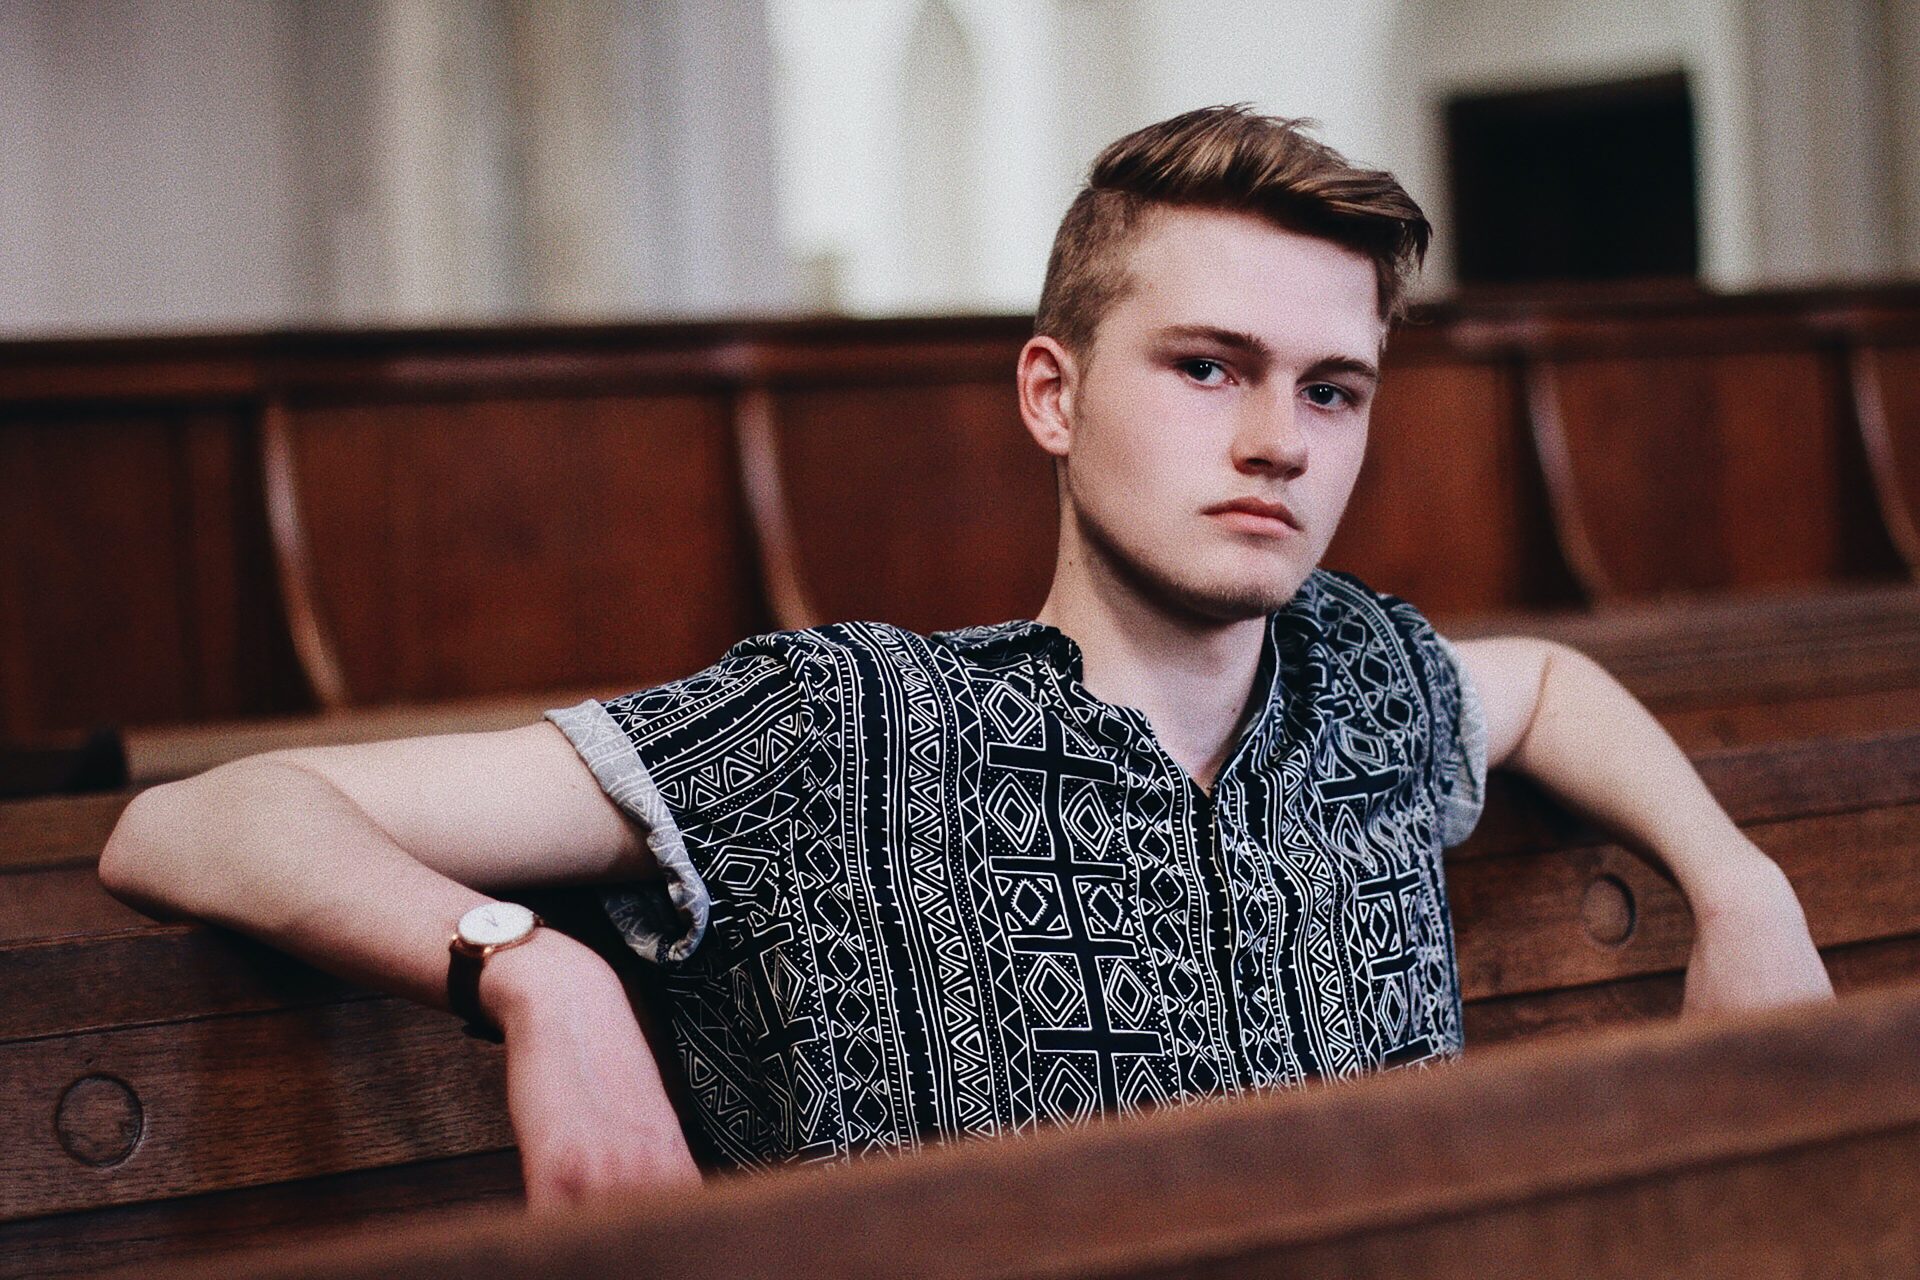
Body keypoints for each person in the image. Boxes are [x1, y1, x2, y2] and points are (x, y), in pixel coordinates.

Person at [98, 105, 1832, 1208]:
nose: (1280, 444)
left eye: (1331, 389)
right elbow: (197, 821)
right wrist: (538, 977)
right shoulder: (839, 725)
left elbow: (1540, 686)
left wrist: (1734, 878)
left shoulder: (1364, 680)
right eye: (1208, 367)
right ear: (1053, 395)